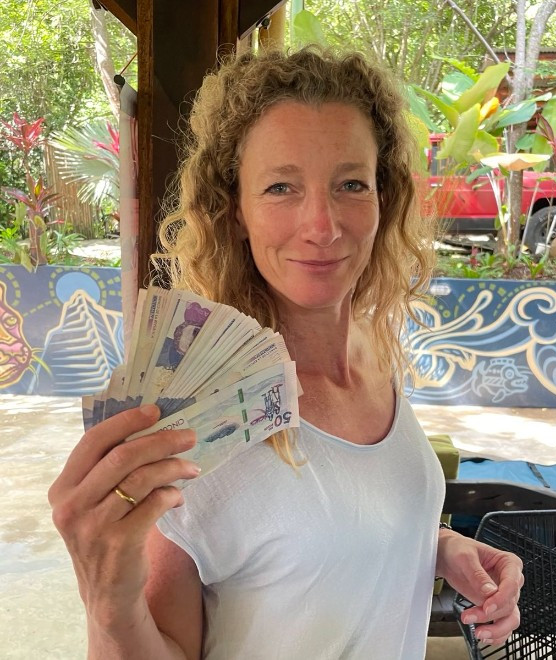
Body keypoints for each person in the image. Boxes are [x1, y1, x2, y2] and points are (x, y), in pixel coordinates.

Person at [49, 47, 523, 659]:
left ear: (384, 198)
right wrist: (109, 606)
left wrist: (438, 547)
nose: (322, 226)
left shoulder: (374, 348)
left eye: (351, 184)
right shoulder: (190, 419)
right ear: (235, 211)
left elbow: (324, 528)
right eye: (280, 187)